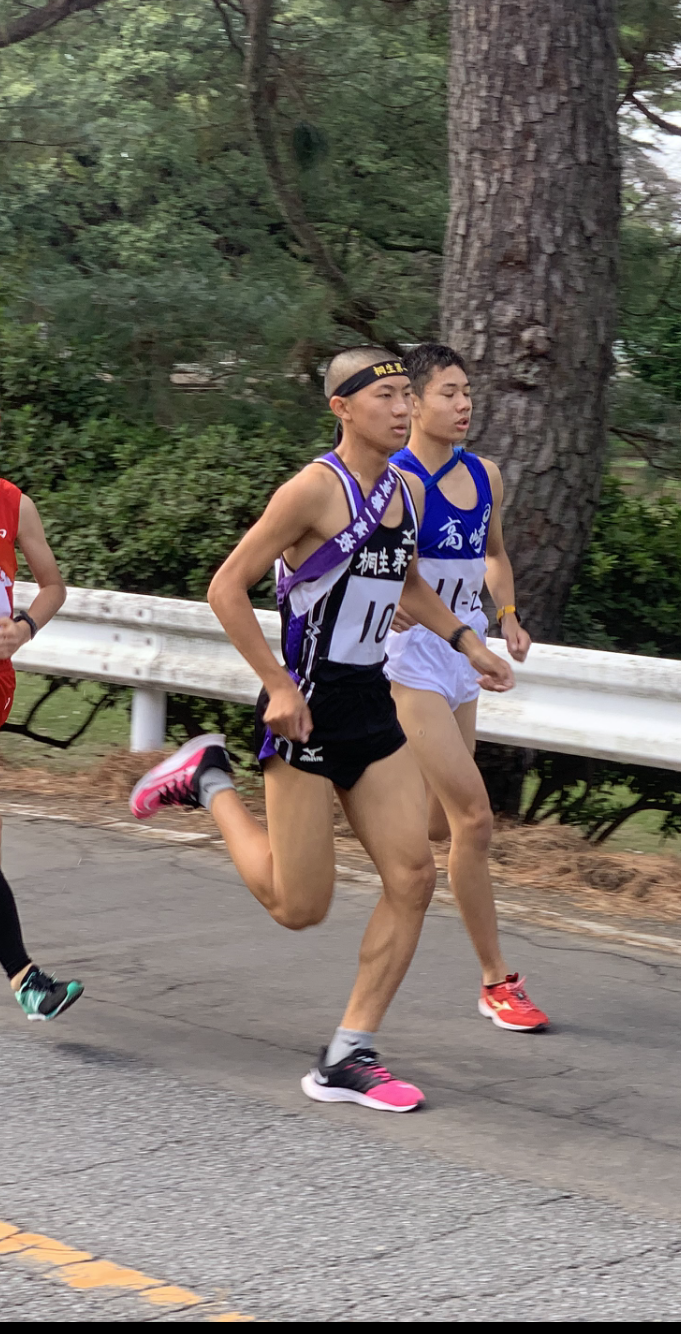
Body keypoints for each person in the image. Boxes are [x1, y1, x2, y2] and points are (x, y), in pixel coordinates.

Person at [130, 346, 514, 1112]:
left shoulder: (403, 490)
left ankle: (349, 1053)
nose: (402, 410)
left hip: (370, 704)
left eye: (407, 397)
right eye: (386, 398)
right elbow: (226, 587)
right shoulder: (312, 489)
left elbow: (407, 582)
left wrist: (468, 641)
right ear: (341, 408)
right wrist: (276, 684)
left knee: (413, 876)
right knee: (299, 907)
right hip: (306, 705)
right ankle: (209, 780)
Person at [385, 343, 549, 1031]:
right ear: (414, 402)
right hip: (412, 660)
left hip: (464, 659)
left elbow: (494, 555)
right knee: (475, 820)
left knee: (435, 825)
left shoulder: (485, 475)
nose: (464, 405)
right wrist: (391, 598)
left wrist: (506, 616)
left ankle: (360, 797)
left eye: (468, 392)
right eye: (448, 393)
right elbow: (372, 565)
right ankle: (496, 982)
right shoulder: (396, 479)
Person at [0, 474, 84, 1020]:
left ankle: (26, 980)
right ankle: (26, 979)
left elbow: (52, 586)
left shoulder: (14, 504)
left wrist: (25, 628)